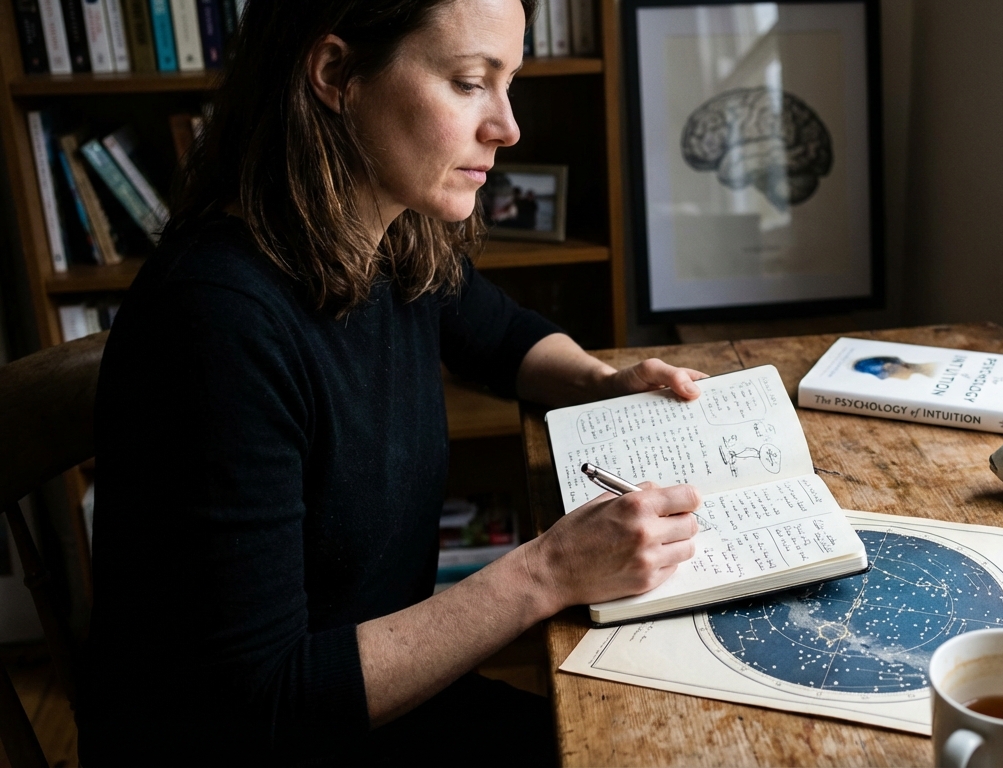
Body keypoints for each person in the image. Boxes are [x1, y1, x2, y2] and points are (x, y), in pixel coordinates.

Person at [77, 1, 705, 765]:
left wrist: (601, 380)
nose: (507, 127)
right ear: (337, 73)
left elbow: (500, 337)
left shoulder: (390, 228)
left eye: (508, 83)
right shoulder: (216, 326)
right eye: (470, 82)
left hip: (379, 706)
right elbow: (256, 704)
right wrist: (548, 571)